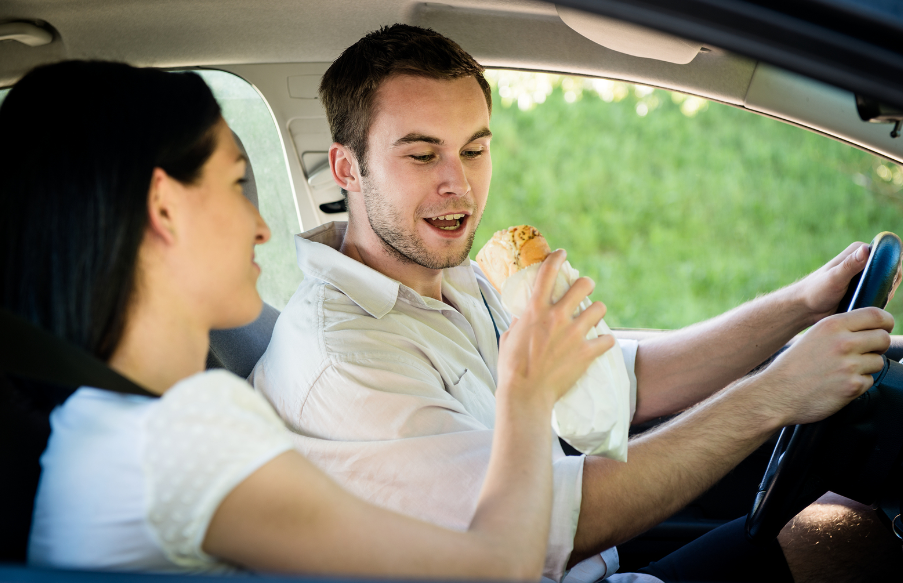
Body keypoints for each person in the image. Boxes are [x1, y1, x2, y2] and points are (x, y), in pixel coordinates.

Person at [251, 24, 903, 583]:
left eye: (474, 149)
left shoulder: (448, 278)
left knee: (844, 522)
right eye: (422, 154)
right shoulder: (345, 359)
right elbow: (544, 524)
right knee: (851, 544)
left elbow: (613, 386)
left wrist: (800, 303)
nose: (459, 184)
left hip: (590, 561)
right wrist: (775, 395)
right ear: (347, 168)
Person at [0, 59, 616, 578]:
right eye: (236, 185)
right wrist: (525, 395)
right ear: (164, 208)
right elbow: (500, 568)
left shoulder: (101, 426)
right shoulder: (178, 437)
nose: (262, 228)